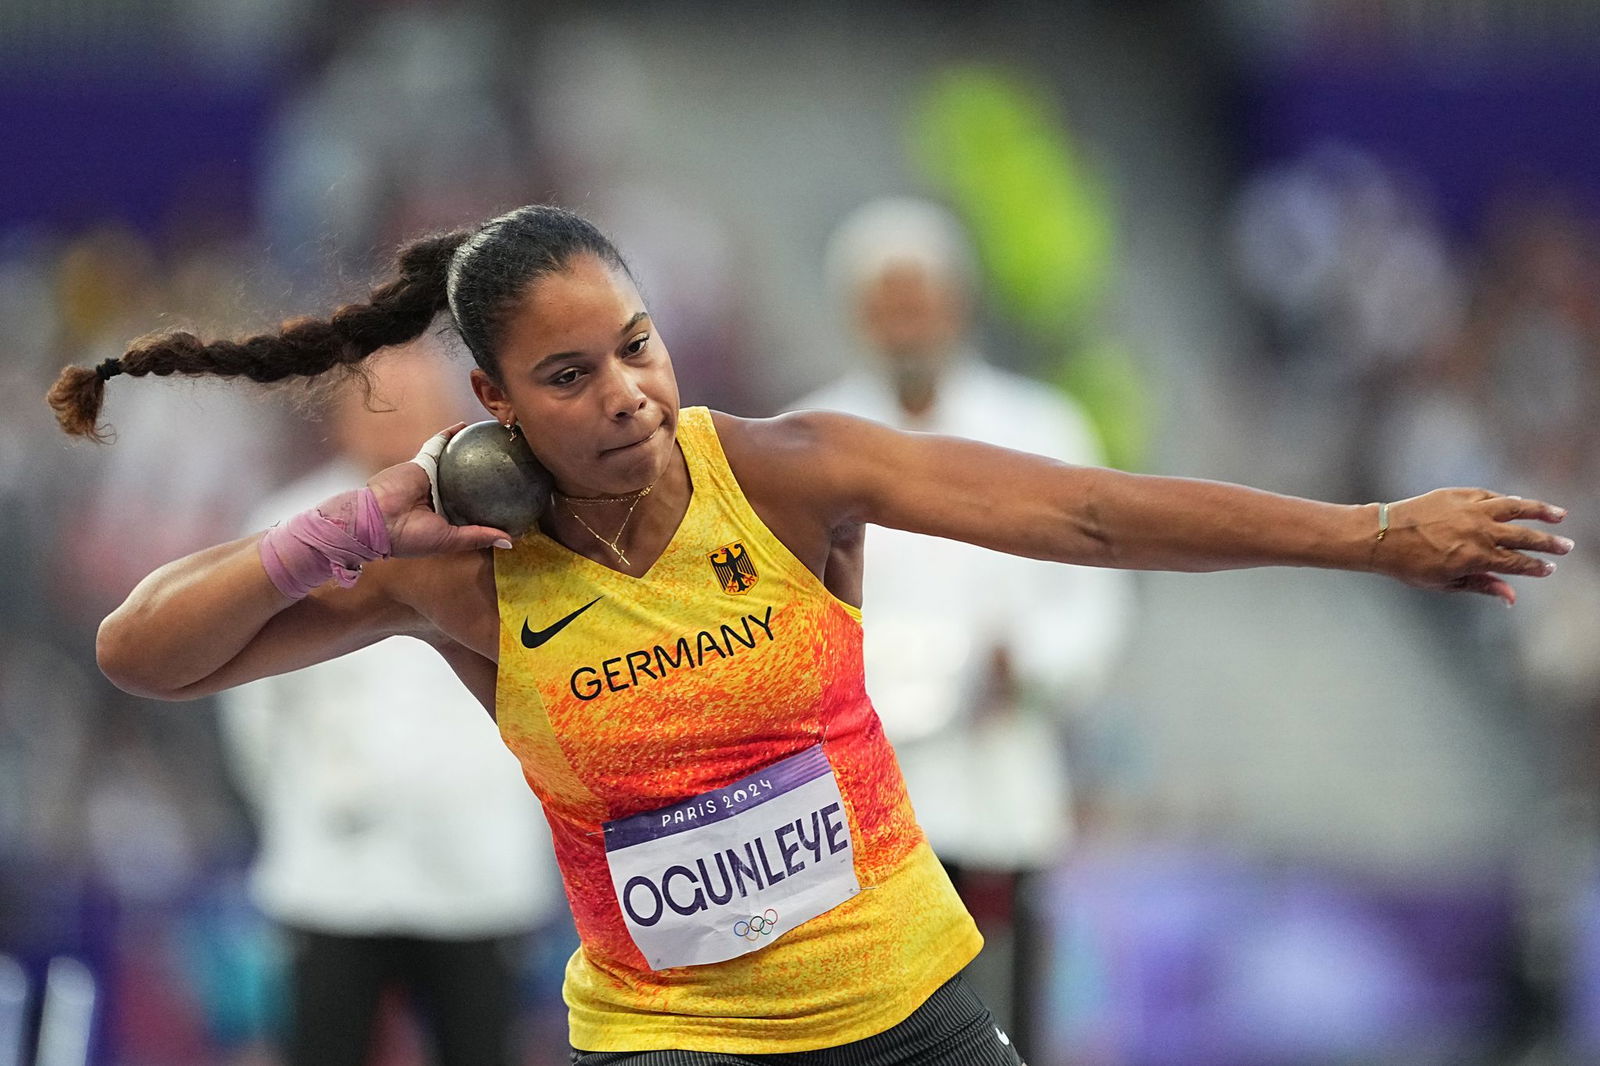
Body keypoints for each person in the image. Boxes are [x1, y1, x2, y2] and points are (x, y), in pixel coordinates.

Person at [46, 204, 1571, 1065]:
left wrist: (1371, 532)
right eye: (569, 378)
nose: (629, 396)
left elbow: (1089, 514)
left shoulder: (783, 473)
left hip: (908, 1011)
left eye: (637, 347)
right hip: (671, 1042)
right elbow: (140, 649)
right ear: (495, 406)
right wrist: (355, 522)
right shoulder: (456, 571)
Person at [793, 196, 1133, 1052]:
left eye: (922, 301)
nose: (907, 323)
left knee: (1002, 1027)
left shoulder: (1040, 427)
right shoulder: (807, 438)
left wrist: (1031, 665)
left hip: (1000, 787)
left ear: (958, 303)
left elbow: (1094, 599)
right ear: (857, 314)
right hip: (865, 803)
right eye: (888, 304)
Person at [216, 342, 565, 1066]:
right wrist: (306, 802)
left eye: (409, 400)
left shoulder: (513, 523)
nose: (391, 418)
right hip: (333, 870)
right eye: (373, 403)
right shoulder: (289, 526)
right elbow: (254, 713)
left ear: (451, 408)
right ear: (339, 418)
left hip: (479, 864)